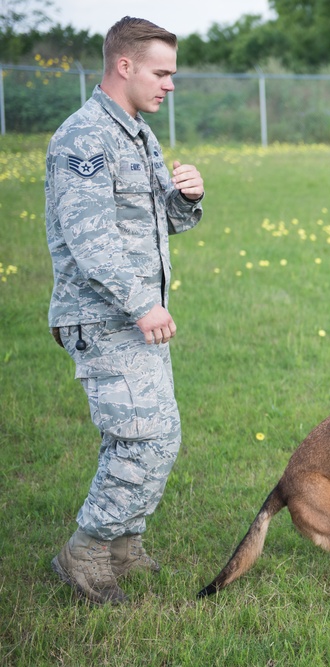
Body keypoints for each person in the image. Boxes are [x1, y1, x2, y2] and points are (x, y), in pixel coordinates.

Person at [45, 16, 205, 604]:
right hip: (106, 316)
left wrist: (187, 197)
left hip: (136, 316)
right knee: (145, 437)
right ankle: (85, 550)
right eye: (162, 73)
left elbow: (162, 222)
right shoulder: (83, 138)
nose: (170, 85)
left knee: (146, 433)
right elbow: (89, 240)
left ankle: (123, 543)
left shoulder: (138, 133)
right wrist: (143, 304)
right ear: (125, 65)